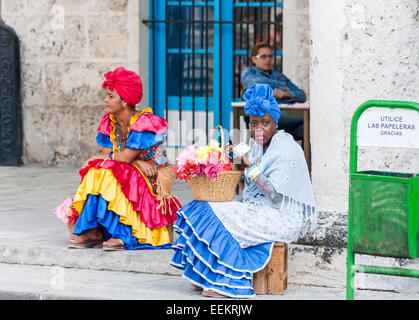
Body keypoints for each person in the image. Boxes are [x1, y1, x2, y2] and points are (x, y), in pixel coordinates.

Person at [170, 84, 317, 298]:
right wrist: (235, 162)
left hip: (280, 217)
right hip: (258, 209)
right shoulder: (258, 147)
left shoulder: (287, 148)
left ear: (275, 123)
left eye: (265, 123)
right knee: (200, 206)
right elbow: (248, 187)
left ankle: (228, 282)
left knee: (214, 213)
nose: (259, 129)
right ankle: (207, 273)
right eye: (254, 123)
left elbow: (275, 195)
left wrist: (250, 168)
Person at [68, 66, 181, 251]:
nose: (105, 100)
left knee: (108, 170)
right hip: (131, 169)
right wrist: (136, 162)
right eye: (107, 95)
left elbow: (123, 157)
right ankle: (93, 230)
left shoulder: (144, 122)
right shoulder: (110, 120)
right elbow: (112, 156)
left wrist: (129, 160)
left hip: (155, 176)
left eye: (111, 96)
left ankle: (123, 233)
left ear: (125, 101)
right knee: (98, 170)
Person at [241, 42, 306, 141]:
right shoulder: (249, 73)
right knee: (307, 120)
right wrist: (281, 86)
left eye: (270, 56)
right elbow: (253, 83)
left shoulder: (279, 75)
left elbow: (302, 95)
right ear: (254, 59)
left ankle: (303, 156)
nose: (268, 59)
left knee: (307, 127)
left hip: (284, 117)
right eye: (263, 56)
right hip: (263, 121)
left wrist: (288, 94)